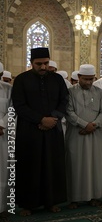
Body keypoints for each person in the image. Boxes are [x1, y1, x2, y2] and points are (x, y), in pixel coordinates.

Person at [12, 47, 68, 215]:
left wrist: (53, 118)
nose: (43, 67)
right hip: (29, 131)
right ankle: (28, 204)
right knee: (30, 166)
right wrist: (41, 119)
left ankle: (51, 202)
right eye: (39, 64)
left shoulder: (57, 79)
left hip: (53, 130)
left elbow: (64, 101)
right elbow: (19, 105)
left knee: (53, 166)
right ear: (31, 63)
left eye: (46, 63)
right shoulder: (21, 80)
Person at [65, 64, 102, 209]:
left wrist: (93, 125)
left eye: (91, 79)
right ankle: (74, 198)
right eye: (85, 79)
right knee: (75, 165)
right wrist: (84, 125)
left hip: (95, 134)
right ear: (78, 77)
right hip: (76, 134)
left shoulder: (100, 92)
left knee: (95, 165)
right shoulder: (70, 92)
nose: (89, 82)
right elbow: (69, 112)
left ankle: (94, 197)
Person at [0, 62, 13, 216]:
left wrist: (2, 124)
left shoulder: (8, 89)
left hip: (3, 135)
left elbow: (13, 108)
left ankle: (3, 207)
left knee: (3, 170)